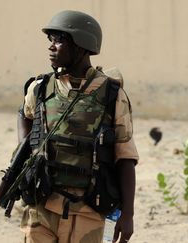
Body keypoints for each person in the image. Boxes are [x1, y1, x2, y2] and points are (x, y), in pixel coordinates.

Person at [17, 10, 138, 243]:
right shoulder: (40, 88)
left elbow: (125, 157)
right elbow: (24, 114)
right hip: (41, 209)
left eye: (60, 40)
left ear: (82, 46)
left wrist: (128, 214)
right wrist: (25, 148)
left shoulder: (112, 96)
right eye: (50, 40)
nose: (52, 47)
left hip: (88, 212)